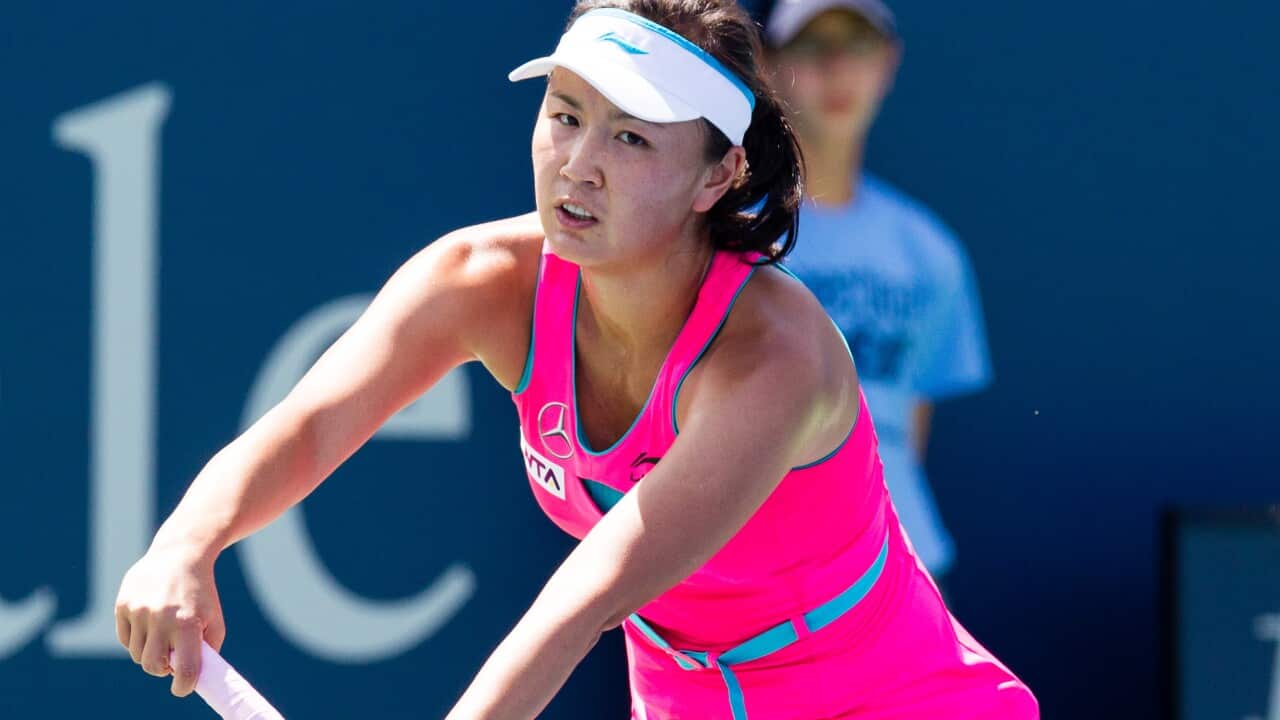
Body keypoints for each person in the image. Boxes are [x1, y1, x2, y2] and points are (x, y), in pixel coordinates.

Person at [113, 2, 1036, 717]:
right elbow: (310, 430)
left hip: (889, 697)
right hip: (684, 695)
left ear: (716, 176)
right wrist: (184, 545)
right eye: (564, 115)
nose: (577, 164)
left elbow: (586, 599)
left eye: (631, 137)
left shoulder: (773, 357)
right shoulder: (479, 279)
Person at [760, 0, 995, 579]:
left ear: (888, 63)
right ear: (765, 65)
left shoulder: (928, 251)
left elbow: (907, 430)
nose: (838, 69)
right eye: (813, 46)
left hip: (902, 565)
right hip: (750, 576)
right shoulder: (722, 232)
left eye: (858, 46)